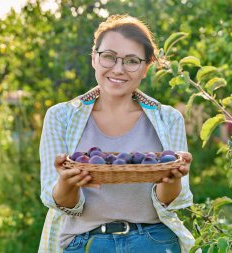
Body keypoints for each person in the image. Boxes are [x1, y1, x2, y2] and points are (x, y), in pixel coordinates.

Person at [38, 14, 196, 253]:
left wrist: (172, 177)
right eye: (109, 57)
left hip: (153, 241)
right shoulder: (61, 117)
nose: (118, 69)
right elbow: (61, 202)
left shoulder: (168, 119)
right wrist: (67, 184)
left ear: (145, 68)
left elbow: (169, 201)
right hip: (86, 243)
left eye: (132, 61)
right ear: (94, 58)